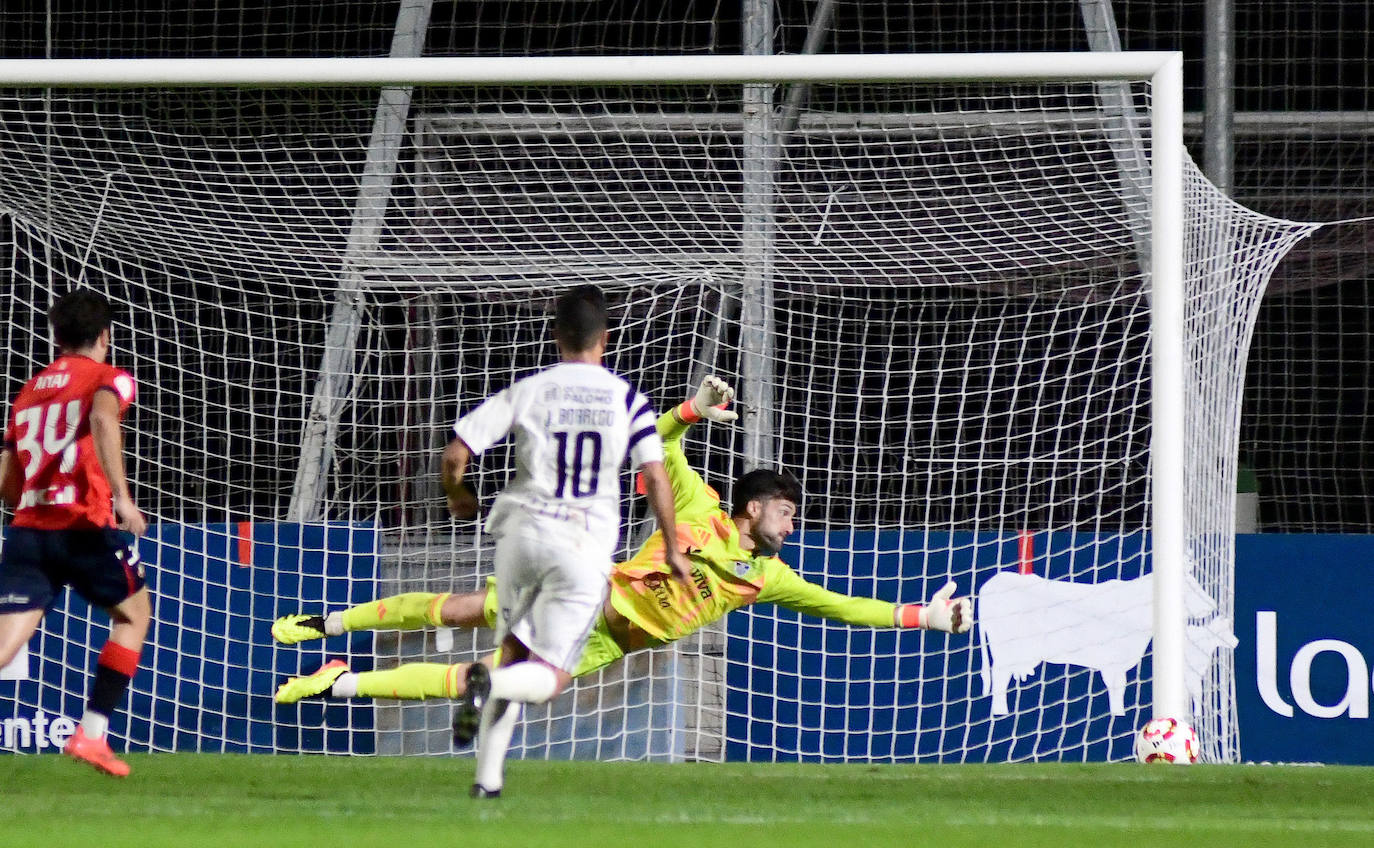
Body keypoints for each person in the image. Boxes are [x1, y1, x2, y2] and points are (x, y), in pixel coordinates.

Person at [273, 376, 974, 710]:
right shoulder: (698, 503)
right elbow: (662, 444)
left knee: (482, 688)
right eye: (785, 514)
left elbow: (841, 606)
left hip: (604, 643)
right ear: (754, 506)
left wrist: (924, 616)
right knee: (460, 609)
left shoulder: (769, 578)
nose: (790, 527)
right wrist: (690, 412)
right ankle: (328, 623)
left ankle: (343, 681)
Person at [315, 285, 686, 799]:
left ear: (556, 335)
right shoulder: (629, 400)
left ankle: (486, 781)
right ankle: (487, 686)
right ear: (606, 339)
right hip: (581, 544)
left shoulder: (531, 388)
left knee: (510, 652)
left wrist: (457, 495)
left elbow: (454, 454)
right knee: (549, 676)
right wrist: (670, 546)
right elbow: (657, 475)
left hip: (519, 537)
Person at [0, 289, 149, 778]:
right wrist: (123, 499)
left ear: (56, 337)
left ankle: (91, 736)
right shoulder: (110, 377)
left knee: (3, 649)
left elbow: (6, 482)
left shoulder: (28, 390)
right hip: (82, 527)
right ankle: (91, 733)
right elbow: (104, 417)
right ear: (105, 336)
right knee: (134, 615)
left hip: (27, 531)